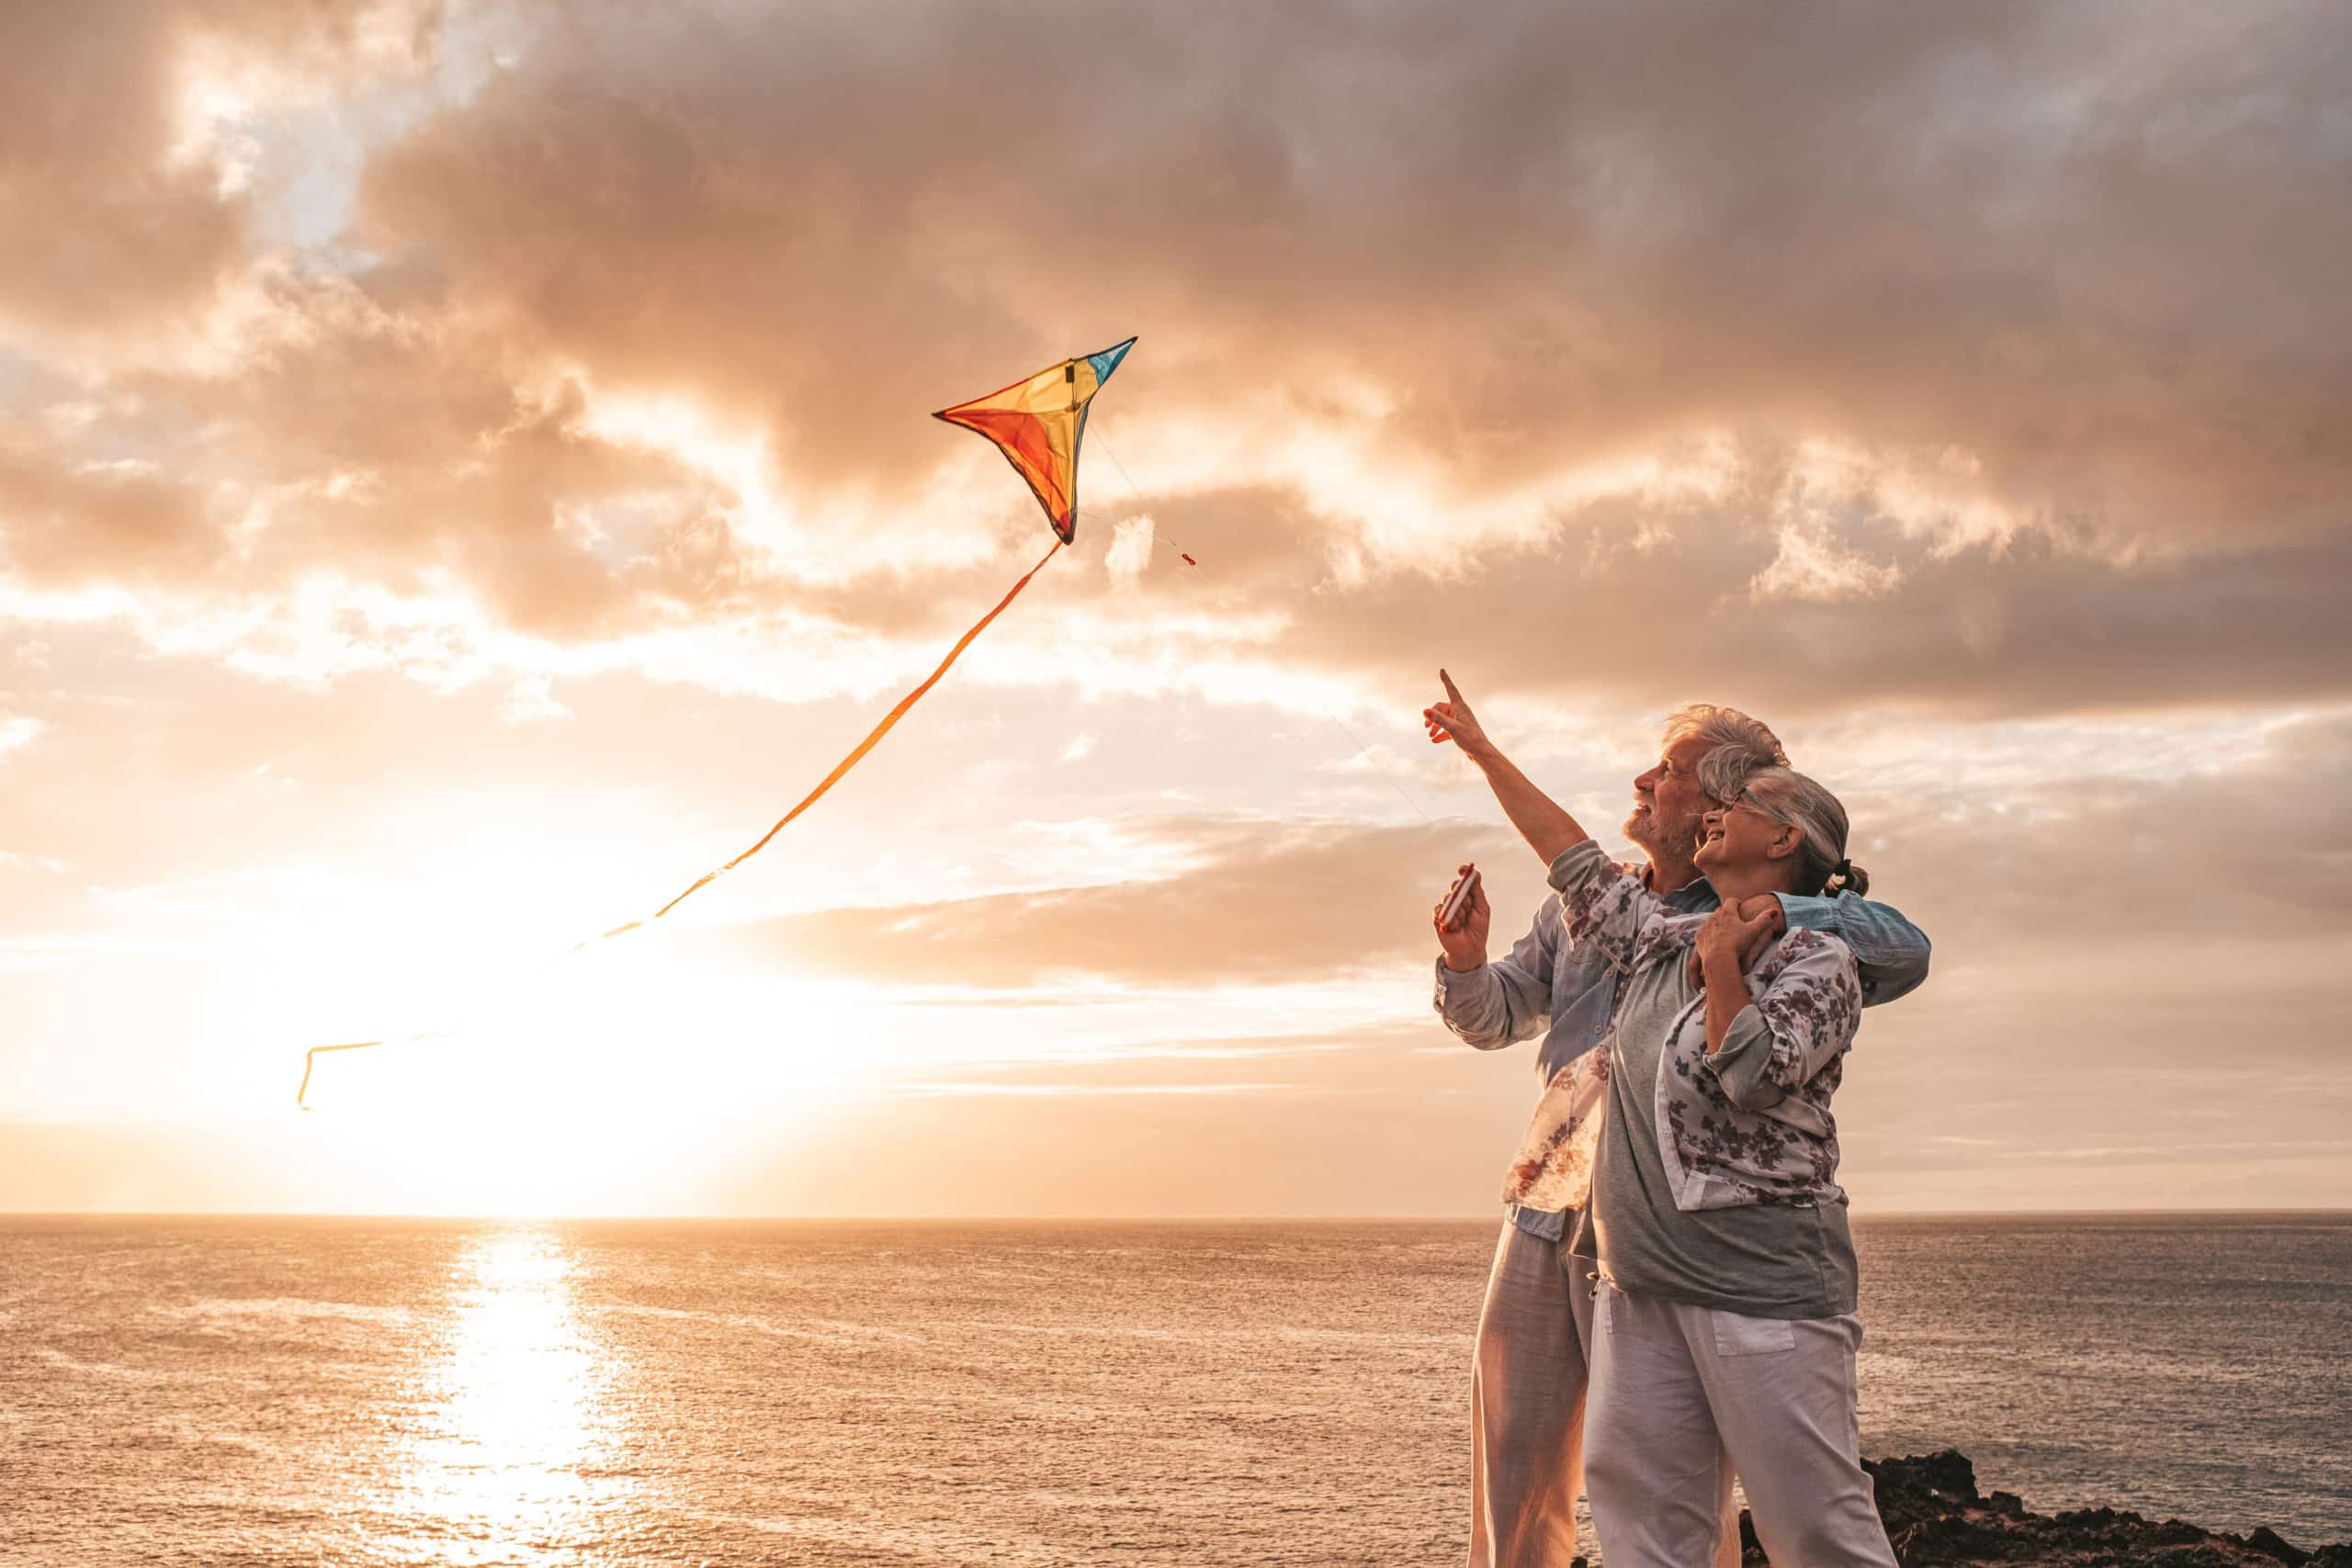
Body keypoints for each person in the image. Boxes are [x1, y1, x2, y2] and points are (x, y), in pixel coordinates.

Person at [1426, 672, 1928, 1568]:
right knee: (1547, 1472)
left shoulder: (1777, 931)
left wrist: (1764, 915)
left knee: (1715, 1496)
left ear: (1723, 807)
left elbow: (1902, 946)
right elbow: (1500, 1007)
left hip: (1685, 1231)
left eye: (1671, 772)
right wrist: (1463, 964)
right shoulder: (1610, 912)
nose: (1644, 781)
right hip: (1556, 1199)